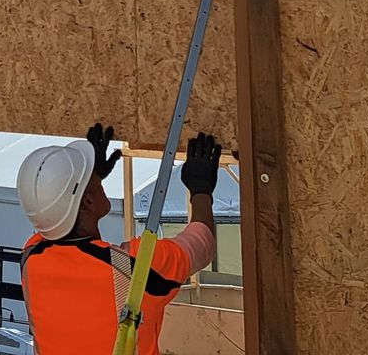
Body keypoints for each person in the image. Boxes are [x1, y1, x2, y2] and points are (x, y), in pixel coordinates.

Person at [14, 123, 222, 355]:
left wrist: (92, 180)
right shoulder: (134, 267)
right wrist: (201, 189)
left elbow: (54, 219)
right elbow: (203, 241)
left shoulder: (31, 259)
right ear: (88, 202)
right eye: (89, 178)